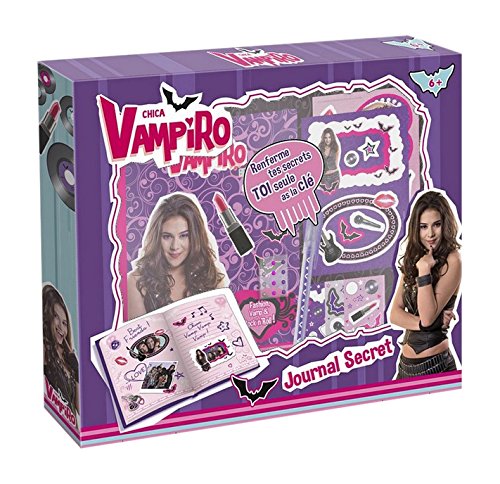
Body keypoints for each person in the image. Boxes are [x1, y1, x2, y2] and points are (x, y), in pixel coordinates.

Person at [390, 191, 461, 378]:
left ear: (445, 224)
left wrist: (424, 270)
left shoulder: (452, 260)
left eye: (436, 224)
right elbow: (395, 314)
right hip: (404, 367)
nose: (430, 234)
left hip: (436, 365)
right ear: (416, 228)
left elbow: (427, 317)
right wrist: (427, 324)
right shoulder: (414, 257)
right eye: (423, 226)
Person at [127, 194, 227, 320]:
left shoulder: (211, 277)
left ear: (195, 237)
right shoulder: (136, 281)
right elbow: (138, 332)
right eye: (167, 237)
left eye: (184, 235)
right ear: (157, 238)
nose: (175, 246)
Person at [42, 284, 79, 417]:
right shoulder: (45, 351)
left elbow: (80, 408)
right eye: (55, 316)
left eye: (64, 323)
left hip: (71, 424)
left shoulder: (67, 360)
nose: (61, 328)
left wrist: (76, 368)